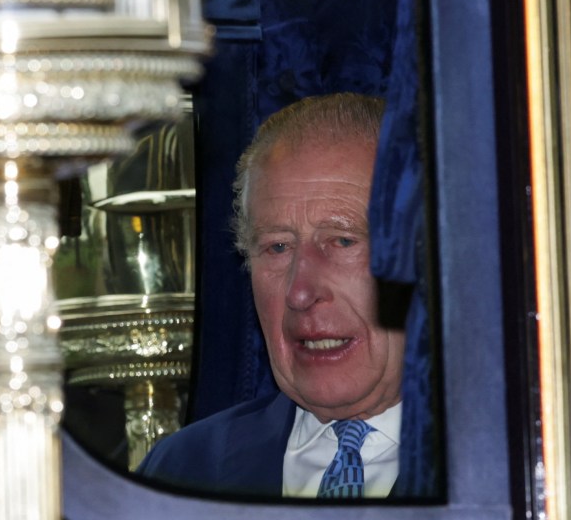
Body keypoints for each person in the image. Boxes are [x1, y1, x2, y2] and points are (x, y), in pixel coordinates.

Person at [140, 94, 410, 498]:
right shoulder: (180, 474)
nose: (300, 293)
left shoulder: (502, 465)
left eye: (342, 240)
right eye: (278, 247)